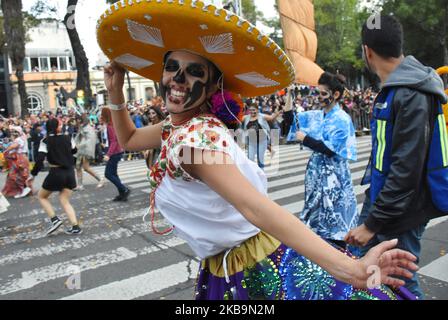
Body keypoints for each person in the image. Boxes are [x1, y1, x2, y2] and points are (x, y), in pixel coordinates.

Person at [99, 1, 418, 300]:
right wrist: (115, 91)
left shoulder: (193, 143)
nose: (179, 79)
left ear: (212, 87)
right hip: (225, 268)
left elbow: (256, 208)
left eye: (195, 72)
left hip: (256, 271)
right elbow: (129, 140)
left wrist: (352, 271)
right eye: (172, 67)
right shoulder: (179, 127)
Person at [344, 15, 448, 300]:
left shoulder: (410, 92)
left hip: (403, 210)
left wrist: (371, 224)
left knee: (399, 281)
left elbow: (406, 170)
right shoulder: (399, 88)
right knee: (371, 274)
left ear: (367, 51)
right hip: (387, 203)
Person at [295, 72, 358, 250]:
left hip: (334, 177)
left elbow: (330, 150)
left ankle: (339, 260)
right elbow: (292, 119)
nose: (319, 97)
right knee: (315, 218)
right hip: (316, 174)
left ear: (335, 95)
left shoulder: (342, 119)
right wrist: (287, 103)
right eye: (318, 93)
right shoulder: (315, 115)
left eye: (323, 94)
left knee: (335, 219)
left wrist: (305, 139)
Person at [28, 118, 81, 235]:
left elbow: (40, 159)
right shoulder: (68, 138)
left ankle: (54, 220)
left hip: (56, 172)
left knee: (41, 196)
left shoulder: (45, 141)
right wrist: (69, 159)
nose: (62, 125)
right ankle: (75, 226)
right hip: (70, 172)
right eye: (60, 124)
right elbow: (75, 151)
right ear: (57, 127)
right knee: (65, 200)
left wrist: (33, 174)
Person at [100, 107, 130, 201]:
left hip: (115, 152)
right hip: (117, 151)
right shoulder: (111, 124)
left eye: (102, 114)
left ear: (105, 115)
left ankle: (124, 189)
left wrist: (108, 154)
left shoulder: (110, 126)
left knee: (108, 174)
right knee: (114, 174)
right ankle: (122, 194)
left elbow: (114, 141)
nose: (100, 116)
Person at [242, 104, 281, 168]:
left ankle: (261, 173)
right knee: (250, 158)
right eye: (250, 110)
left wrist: (277, 113)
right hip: (252, 142)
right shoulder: (246, 117)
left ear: (257, 110)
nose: (252, 112)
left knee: (260, 159)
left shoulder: (262, 116)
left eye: (254, 110)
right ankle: (252, 174)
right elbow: (237, 118)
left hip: (262, 141)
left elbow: (271, 118)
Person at [74, 115, 105, 190]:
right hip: (81, 149)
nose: (75, 122)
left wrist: (81, 145)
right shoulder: (83, 127)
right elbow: (79, 138)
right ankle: (80, 185)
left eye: (76, 120)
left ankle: (101, 179)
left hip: (85, 149)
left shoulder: (87, 127)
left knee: (86, 167)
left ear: (79, 120)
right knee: (78, 166)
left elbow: (90, 139)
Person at [1, 126, 32, 198]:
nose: (11, 133)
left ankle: (21, 190)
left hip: (19, 159)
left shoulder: (18, 139)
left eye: (13, 132)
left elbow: (14, 146)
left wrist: (6, 150)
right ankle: (22, 190)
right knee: (20, 175)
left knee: (15, 175)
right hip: (22, 158)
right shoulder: (22, 137)